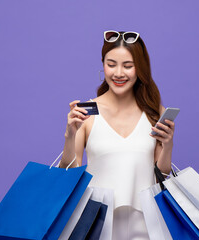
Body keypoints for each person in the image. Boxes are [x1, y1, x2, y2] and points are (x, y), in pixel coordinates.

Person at [59, 30, 176, 240]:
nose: (118, 73)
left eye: (128, 66)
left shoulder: (154, 112)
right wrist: (70, 135)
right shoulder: (87, 111)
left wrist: (167, 145)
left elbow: (162, 176)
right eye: (111, 64)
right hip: (96, 226)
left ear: (140, 68)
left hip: (147, 228)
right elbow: (68, 176)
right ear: (102, 65)